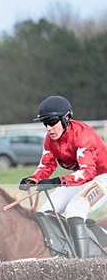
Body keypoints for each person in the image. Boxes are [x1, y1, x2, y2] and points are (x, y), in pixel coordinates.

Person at [18, 95, 107, 258]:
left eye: (52, 122)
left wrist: (57, 181)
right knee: (44, 212)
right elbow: (46, 165)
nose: (48, 128)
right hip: (81, 177)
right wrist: (34, 179)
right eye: (45, 123)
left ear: (66, 119)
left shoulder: (83, 136)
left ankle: (83, 265)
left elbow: (88, 172)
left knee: (75, 209)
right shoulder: (49, 140)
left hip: (102, 177)